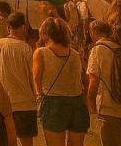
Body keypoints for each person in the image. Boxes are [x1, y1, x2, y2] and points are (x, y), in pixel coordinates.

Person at [86, 20, 121, 146]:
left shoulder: (98, 50)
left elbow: (93, 79)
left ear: (94, 33)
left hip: (109, 107)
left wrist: (91, 103)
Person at [33, 17, 88, 146]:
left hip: (53, 102)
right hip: (77, 101)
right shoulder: (74, 53)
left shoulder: (41, 52)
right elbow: (81, 78)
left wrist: (40, 96)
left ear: (45, 33)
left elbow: (36, 78)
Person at [0, 11, 37, 146]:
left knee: (5, 141)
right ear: (23, 27)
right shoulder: (27, 49)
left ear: (8, 27)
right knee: (27, 142)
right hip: (25, 103)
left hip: (1, 103)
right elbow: (34, 76)